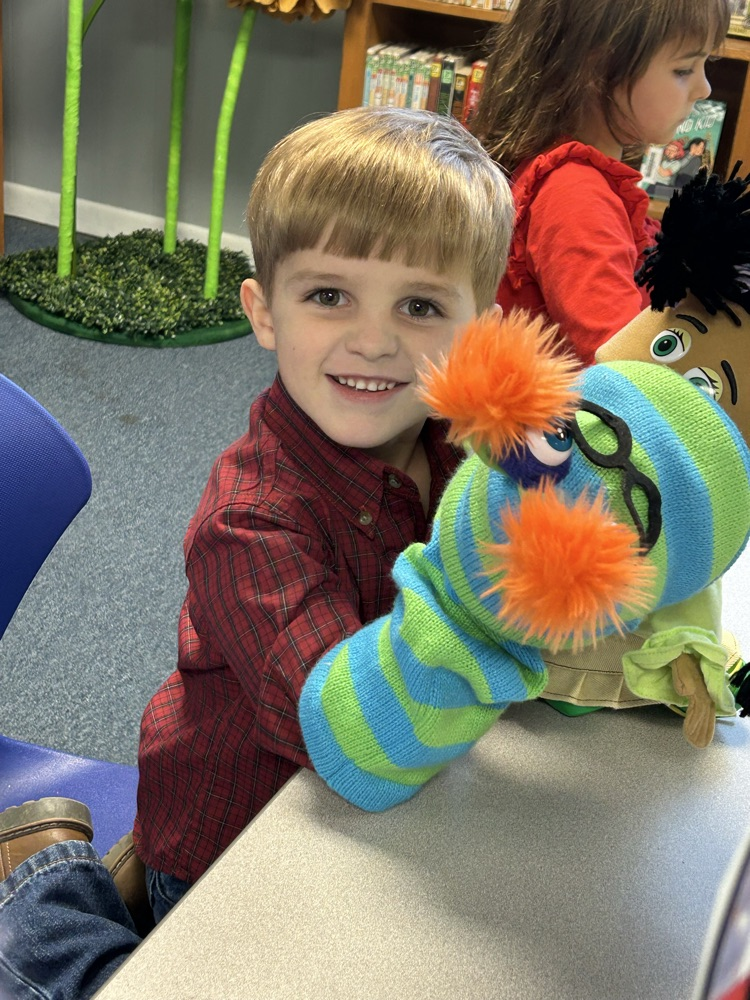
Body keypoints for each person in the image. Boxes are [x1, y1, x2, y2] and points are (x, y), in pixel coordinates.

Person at [0, 104, 514, 998]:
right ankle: (46, 891)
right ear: (263, 311)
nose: (375, 338)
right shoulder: (249, 519)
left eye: (422, 305)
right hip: (232, 842)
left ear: (481, 326)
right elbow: (345, 723)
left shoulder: (467, 458)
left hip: (374, 819)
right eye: (328, 295)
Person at [471, 0, 730, 365]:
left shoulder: (565, 168)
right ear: (599, 67)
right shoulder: (576, 196)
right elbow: (627, 368)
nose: (703, 88)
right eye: (683, 69)